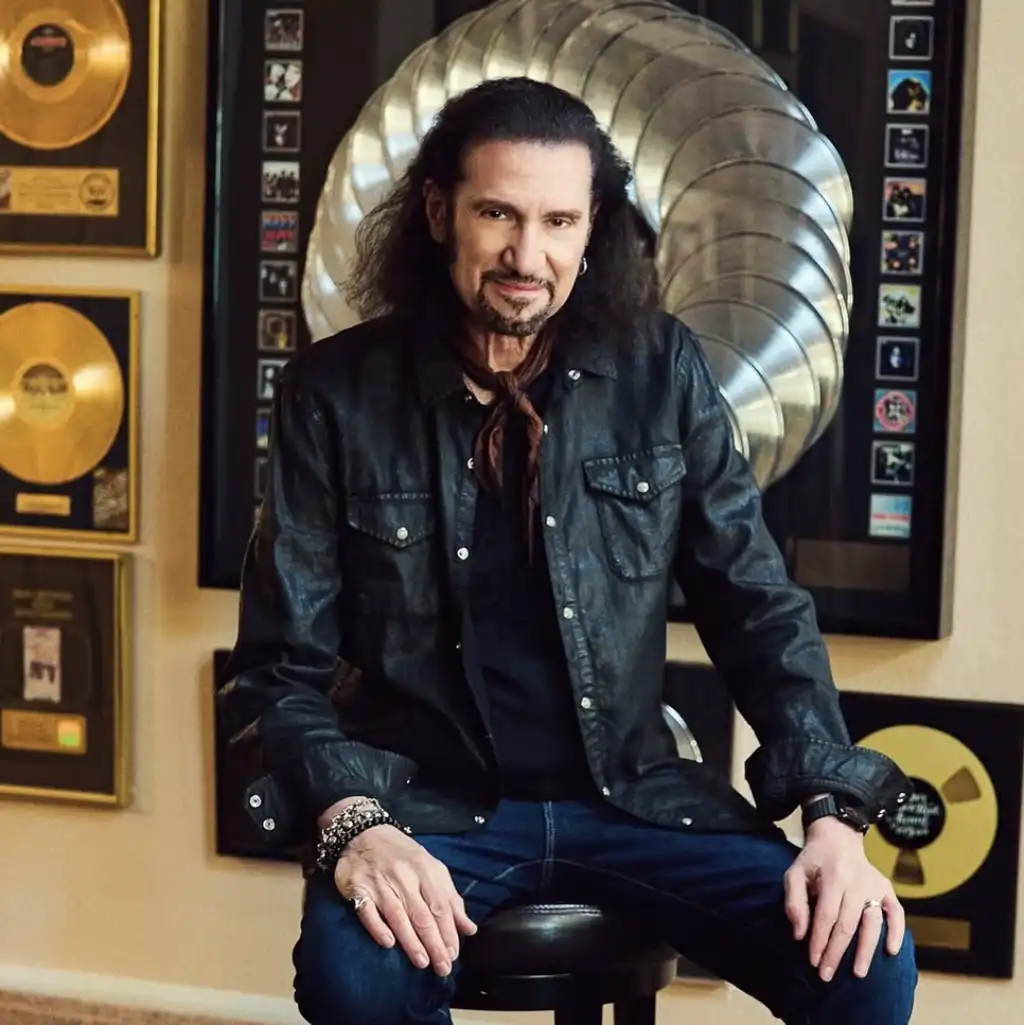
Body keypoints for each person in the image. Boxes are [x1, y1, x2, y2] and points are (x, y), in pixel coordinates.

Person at [216, 77, 917, 1025]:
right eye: (497, 214)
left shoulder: (661, 370)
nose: (526, 255)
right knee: (357, 983)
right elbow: (275, 671)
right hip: (425, 804)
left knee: (867, 967)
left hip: (635, 799)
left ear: (594, 231)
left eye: (558, 221)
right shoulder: (333, 392)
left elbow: (757, 607)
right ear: (439, 213)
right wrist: (352, 823)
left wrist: (832, 814)